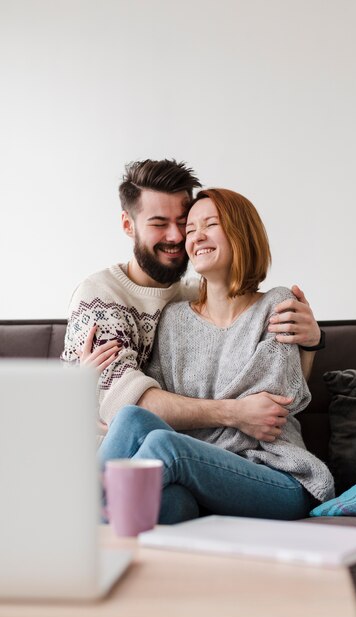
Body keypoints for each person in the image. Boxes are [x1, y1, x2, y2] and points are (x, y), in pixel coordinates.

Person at [98, 188, 334, 524]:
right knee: (134, 425)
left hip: (277, 476)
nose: (196, 236)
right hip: (199, 481)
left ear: (241, 232)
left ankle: (72, 522)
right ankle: (89, 526)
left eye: (210, 224)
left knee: (167, 446)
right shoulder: (174, 319)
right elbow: (162, 413)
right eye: (190, 229)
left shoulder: (276, 304)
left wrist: (191, 427)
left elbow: (268, 411)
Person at [62, 159, 323, 441]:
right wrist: (235, 412)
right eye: (159, 223)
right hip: (104, 450)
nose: (176, 236)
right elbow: (129, 408)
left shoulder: (193, 299)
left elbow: (277, 392)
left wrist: (310, 343)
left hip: (177, 454)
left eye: (182, 224)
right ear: (128, 224)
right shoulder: (100, 298)